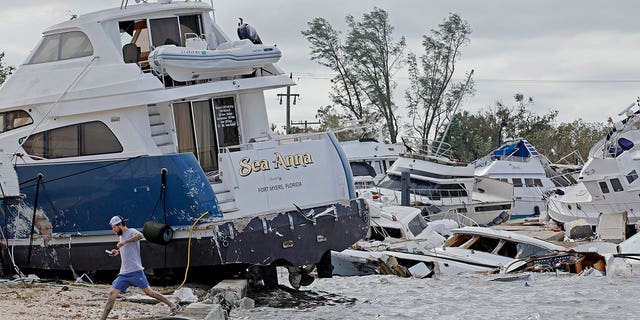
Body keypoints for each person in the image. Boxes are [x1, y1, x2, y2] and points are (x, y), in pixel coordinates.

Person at [100, 215, 181, 320]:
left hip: (135, 271)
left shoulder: (131, 232)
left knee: (149, 292)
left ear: (120, 225)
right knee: (112, 295)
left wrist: (124, 242)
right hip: (124, 273)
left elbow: (140, 236)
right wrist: (117, 251)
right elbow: (128, 250)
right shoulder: (121, 236)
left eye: (114, 227)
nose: (113, 229)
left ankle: (173, 306)